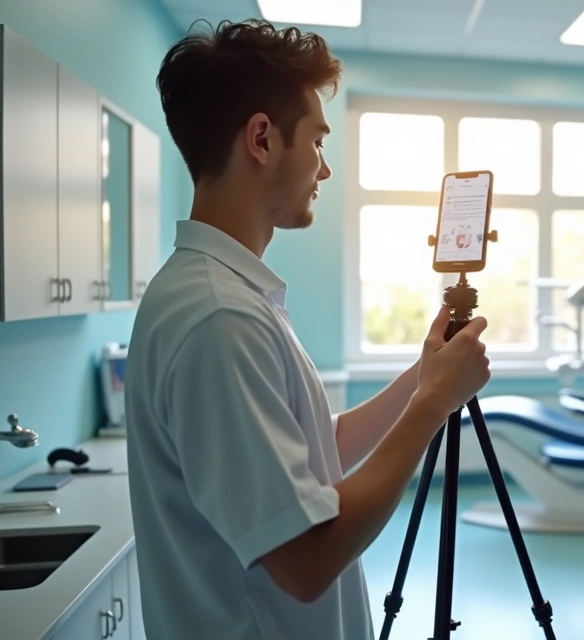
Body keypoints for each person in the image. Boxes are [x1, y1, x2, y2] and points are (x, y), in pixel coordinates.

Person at [124, 19, 491, 640]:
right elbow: (307, 558)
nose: (323, 170)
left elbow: (319, 454)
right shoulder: (220, 319)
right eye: (318, 142)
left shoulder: (224, 293)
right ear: (262, 139)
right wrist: (434, 404)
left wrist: (420, 379)